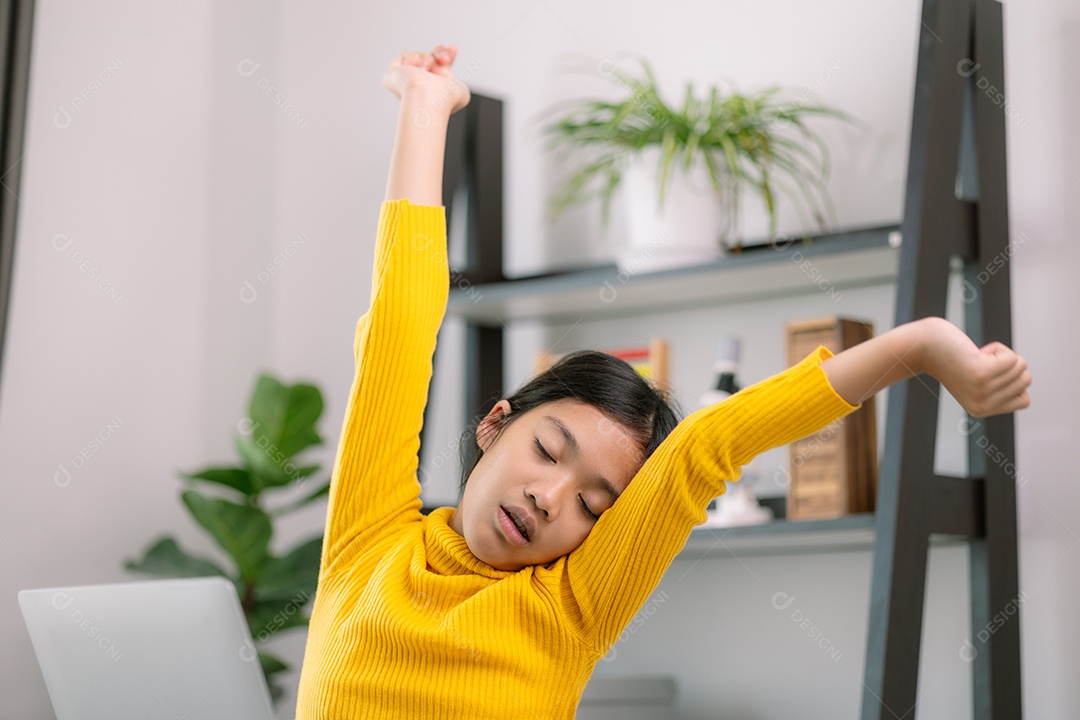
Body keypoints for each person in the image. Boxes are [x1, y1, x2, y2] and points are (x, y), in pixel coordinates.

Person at [294, 45, 1031, 719]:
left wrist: (920, 344)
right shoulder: (370, 536)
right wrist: (425, 106)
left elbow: (708, 444)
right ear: (494, 425)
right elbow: (398, 329)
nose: (549, 499)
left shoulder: (574, 606)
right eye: (547, 450)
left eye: (592, 504)